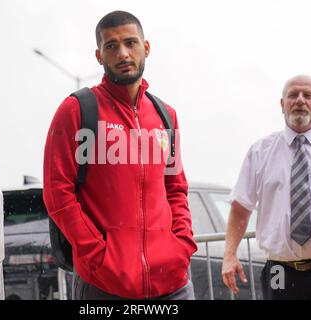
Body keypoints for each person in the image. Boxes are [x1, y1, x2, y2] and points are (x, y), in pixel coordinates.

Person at [43, 10, 197, 300]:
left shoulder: (166, 115)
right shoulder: (77, 110)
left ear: (146, 47)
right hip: (104, 285)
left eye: (130, 43)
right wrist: (97, 255)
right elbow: (57, 194)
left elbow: (175, 188)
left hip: (172, 282)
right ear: (99, 56)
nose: (123, 53)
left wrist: (181, 245)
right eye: (111, 46)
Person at [222, 75, 311, 300]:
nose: (300, 100)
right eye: (292, 95)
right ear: (282, 105)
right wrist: (229, 255)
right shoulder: (260, 152)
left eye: (308, 96)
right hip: (279, 270)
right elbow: (240, 209)